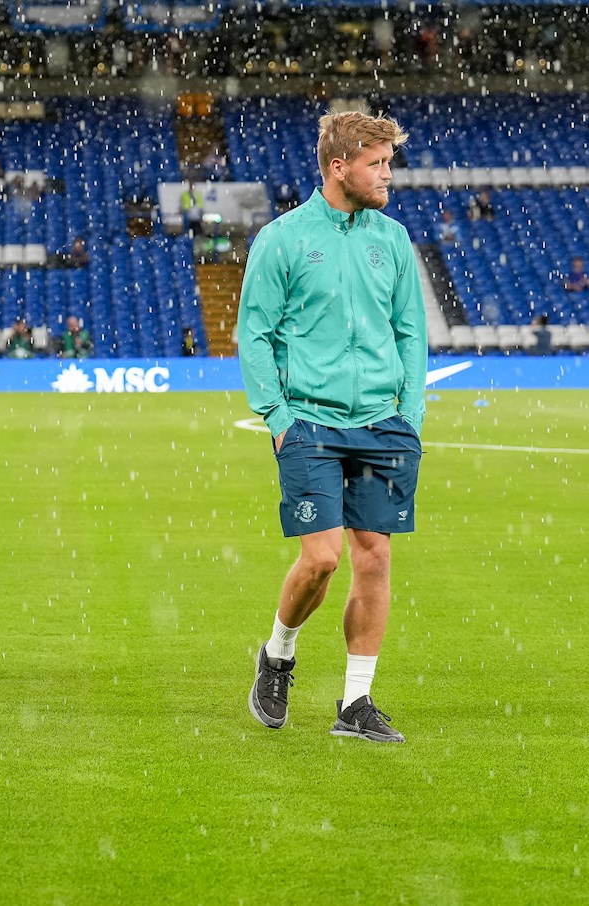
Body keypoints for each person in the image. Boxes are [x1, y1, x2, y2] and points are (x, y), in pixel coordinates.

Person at [237, 110, 426, 744]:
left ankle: (355, 702)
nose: (388, 176)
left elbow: (410, 333)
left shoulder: (392, 240)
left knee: (373, 559)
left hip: (383, 423)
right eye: (377, 164)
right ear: (339, 166)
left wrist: (410, 415)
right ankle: (279, 652)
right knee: (321, 559)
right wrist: (279, 417)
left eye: (389, 163)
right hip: (309, 422)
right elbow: (255, 334)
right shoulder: (284, 239)